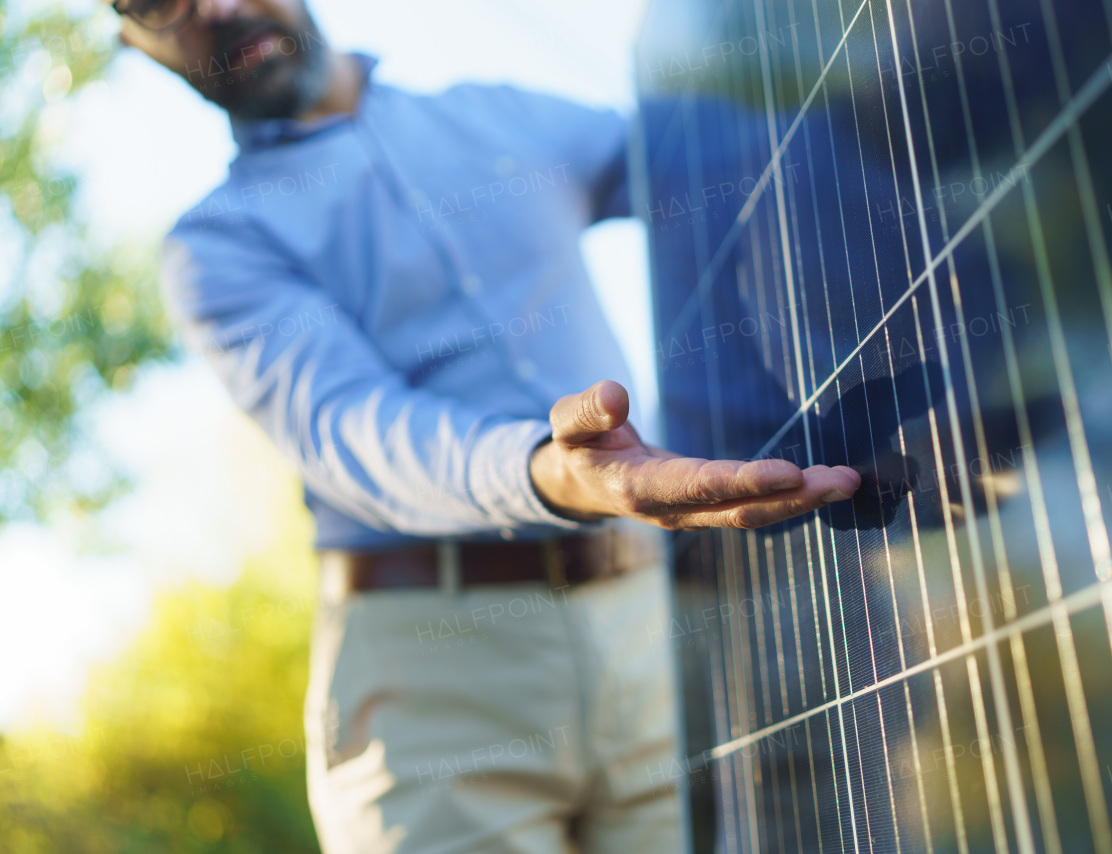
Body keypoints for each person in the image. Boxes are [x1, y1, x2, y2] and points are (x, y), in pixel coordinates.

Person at [111, 0, 861, 850]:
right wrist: (549, 472)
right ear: (134, 43)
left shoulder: (503, 117)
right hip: (429, 694)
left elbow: (720, 161)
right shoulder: (218, 248)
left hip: (652, 638)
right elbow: (356, 432)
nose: (214, 6)